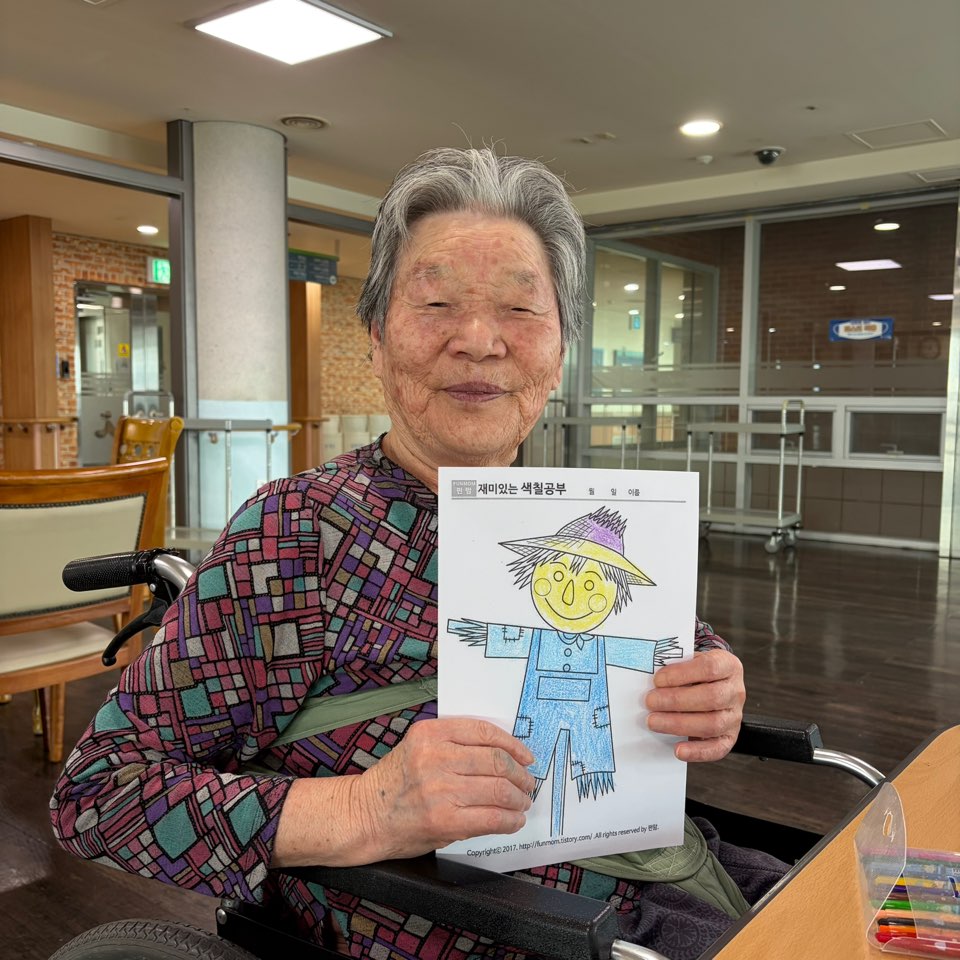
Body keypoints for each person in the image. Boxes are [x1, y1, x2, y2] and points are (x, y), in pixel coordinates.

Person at [51, 147, 785, 960]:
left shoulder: (576, 515)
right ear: (376, 338)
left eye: (520, 308)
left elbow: (668, 648)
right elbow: (99, 795)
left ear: (560, 351)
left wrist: (710, 679)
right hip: (504, 932)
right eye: (436, 304)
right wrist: (368, 809)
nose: (478, 341)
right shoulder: (298, 530)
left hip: (667, 879)